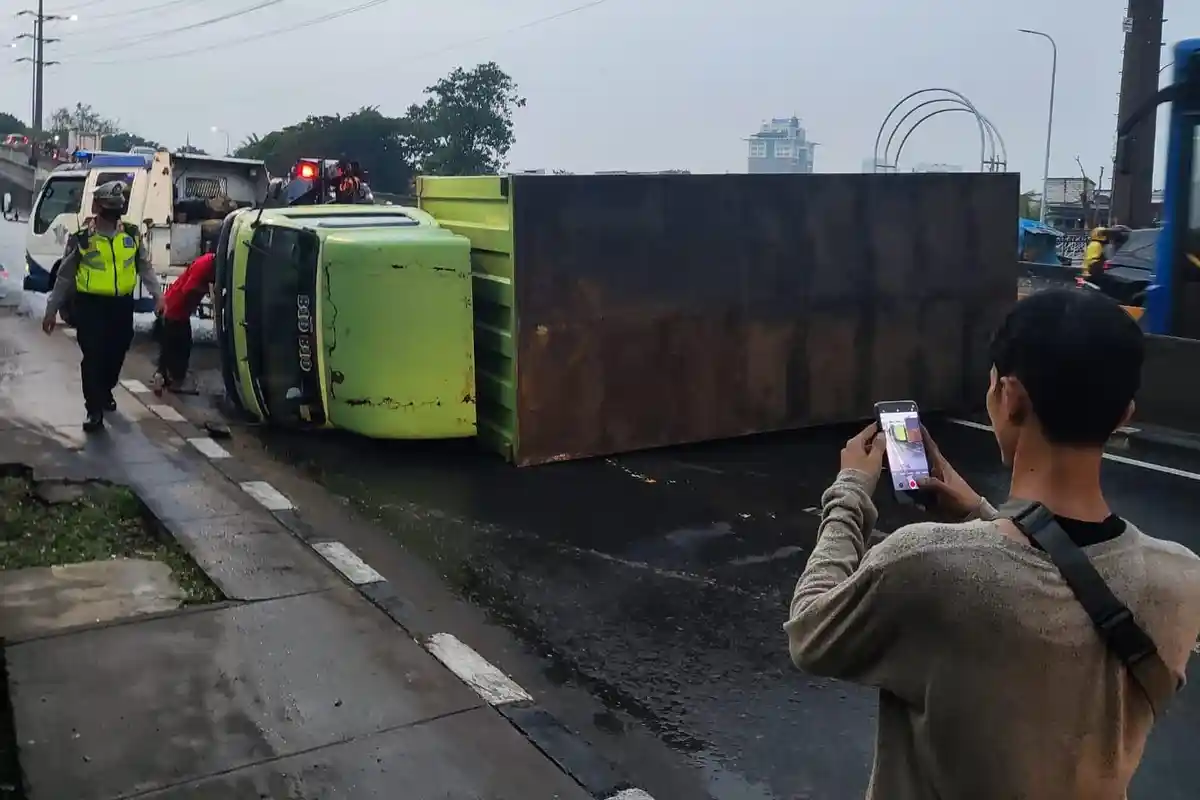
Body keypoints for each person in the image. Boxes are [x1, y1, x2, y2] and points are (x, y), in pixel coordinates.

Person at [785, 288, 1200, 800]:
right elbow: (1065, 580)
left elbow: (809, 631)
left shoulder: (926, 564)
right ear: (1123, 416)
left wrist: (850, 491)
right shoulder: (1182, 580)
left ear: (1011, 398)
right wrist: (984, 515)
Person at [42, 180, 164, 432]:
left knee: (117, 352)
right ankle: (94, 409)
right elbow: (64, 276)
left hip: (121, 306)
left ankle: (105, 389)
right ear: (97, 207)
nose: (113, 211)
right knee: (93, 357)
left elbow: (145, 267)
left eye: (117, 206)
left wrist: (158, 295)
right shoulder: (82, 239)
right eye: (109, 206)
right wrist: (51, 310)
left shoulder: (130, 235)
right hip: (91, 307)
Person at [151, 219, 221, 396]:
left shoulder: (208, 262)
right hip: (176, 309)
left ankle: (163, 376)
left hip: (176, 308)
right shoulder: (205, 265)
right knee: (181, 346)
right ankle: (172, 380)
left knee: (169, 346)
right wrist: (207, 289)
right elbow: (189, 288)